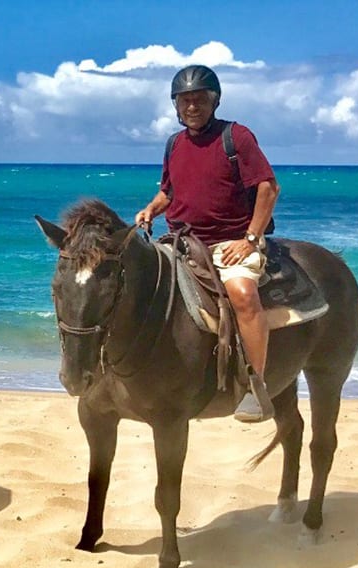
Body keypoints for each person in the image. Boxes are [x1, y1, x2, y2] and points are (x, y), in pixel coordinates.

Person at [134, 65, 280, 422]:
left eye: (199, 99)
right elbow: (169, 190)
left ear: (214, 101)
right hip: (181, 242)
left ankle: (254, 385)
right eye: (185, 101)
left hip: (230, 243)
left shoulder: (236, 137)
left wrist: (250, 239)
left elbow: (268, 187)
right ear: (176, 105)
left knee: (244, 295)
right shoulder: (174, 143)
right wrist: (151, 209)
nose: (192, 107)